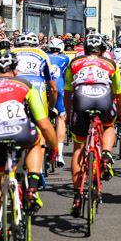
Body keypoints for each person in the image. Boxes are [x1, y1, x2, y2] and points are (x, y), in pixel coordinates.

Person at [0, 50, 58, 241]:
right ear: (16, 69)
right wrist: (54, 148)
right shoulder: (25, 84)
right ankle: (31, 188)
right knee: (37, 140)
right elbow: (43, 122)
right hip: (21, 132)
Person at [65, 33, 121, 216]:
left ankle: (77, 196)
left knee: (78, 147)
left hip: (81, 100)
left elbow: (68, 94)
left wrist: (69, 116)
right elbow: (120, 97)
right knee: (108, 125)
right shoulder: (110, 64)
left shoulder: (73, 64)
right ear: (103, 50)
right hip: (103, 98)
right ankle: (106, 155)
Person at [46, 38, 70, 167]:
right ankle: (59, 154)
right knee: (60, 118)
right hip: (59, 86)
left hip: (45, 87)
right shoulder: (65, 58)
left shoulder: (44, 56)